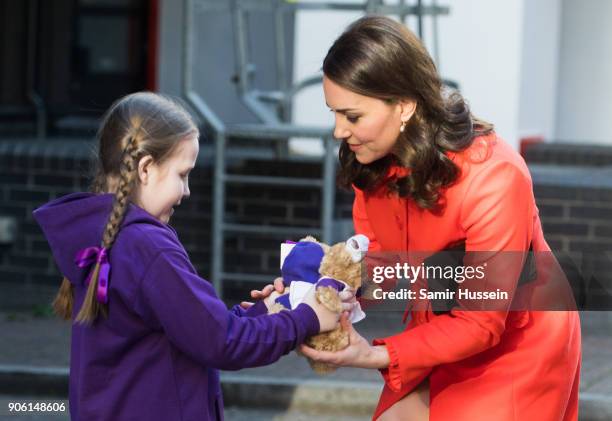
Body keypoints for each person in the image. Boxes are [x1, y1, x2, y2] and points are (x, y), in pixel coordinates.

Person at [299, 16, 581, 421]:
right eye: (334, 114)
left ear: (405, 106)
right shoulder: (372, 162)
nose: (338, 131)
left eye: (352, 116)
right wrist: (315, 291)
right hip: (439, 331)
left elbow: (482, 322)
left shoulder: (495, 176)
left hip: (517, 343)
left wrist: (375, 354)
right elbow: (384, 264)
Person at [33, 92, 351, 421]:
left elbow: (185, 329)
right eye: (182, 174)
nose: (186, 191)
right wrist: (307, 318)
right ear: (145, 168)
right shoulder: (147, 246)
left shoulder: (103, 234)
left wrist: (261, 314)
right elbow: (221, 342)